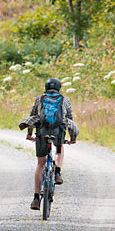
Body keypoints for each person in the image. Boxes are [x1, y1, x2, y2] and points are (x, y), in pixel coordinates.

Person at [19, 78, 79, 210]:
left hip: (42, 131)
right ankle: (57, 172)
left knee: (40, 163)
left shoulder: (40, 99)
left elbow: (32, 117)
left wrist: (30, 134)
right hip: (58, 132)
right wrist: (72, 138)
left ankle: (35, 198)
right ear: (59, 88)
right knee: (59, 148)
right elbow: (69, 119)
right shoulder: (64, 100)